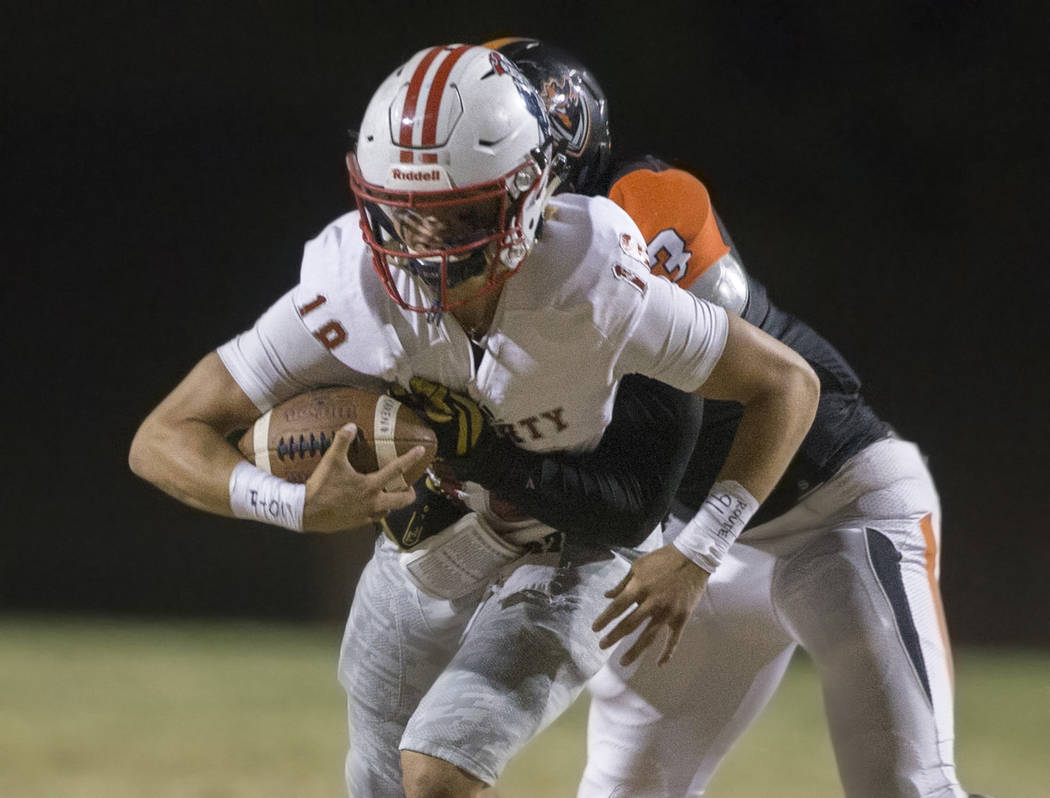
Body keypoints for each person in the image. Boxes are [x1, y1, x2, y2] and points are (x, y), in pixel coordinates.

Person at [128, 44, 818, 798]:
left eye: (457, 215)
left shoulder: (596, 280)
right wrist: (294, 504)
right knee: (381, 782)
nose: (425, 246)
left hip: (571, 550)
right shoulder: (349, 286)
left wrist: (701, 550)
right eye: (402, 216)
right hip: (432, 534)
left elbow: (784, 384)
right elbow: (163, 436)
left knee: (437, 774)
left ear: (530, 194)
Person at [478, 38, 980, 798]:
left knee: (912, 791)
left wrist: (694, 548)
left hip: (833, 507)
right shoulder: (482, 274)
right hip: (691, 542)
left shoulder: (645, 207)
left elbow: (755, 391)